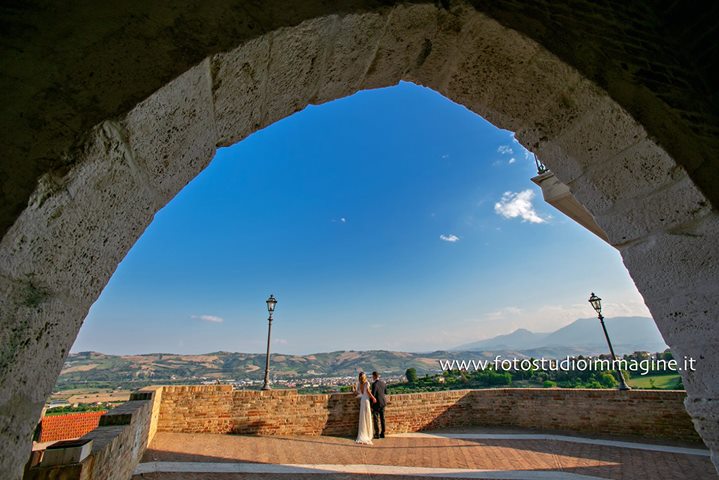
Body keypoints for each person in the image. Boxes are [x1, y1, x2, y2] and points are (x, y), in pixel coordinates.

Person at [354, 371, 376, 444]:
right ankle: (368, 433)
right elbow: (368, 392)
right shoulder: (366, 383)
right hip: (366, 400)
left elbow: (357, 392)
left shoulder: (359, 384)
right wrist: (373, 398)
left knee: (362, 416)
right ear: (364, 376)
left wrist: (353, 389)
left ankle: (363, 432)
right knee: (367, 416)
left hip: (362, 400)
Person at [371, 371, 387, 438]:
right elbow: (386, 392)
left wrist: (371, 405)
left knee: (376, 419)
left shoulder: (374, 384)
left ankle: (377, 434)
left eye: (372, 376)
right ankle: (383, 433)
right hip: (383, 403)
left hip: (376, 404)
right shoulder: (383, 383)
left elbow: (373, 395)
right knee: (382, 418)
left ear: (374, 376)